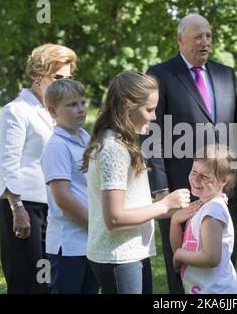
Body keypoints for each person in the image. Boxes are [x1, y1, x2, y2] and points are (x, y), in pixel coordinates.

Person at [141, 13, 237, 293]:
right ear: (180, 40)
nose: (206, 42)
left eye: (209, 36)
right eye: (198, 36)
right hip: (182, 187)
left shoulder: (226, 74)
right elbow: (152, 134)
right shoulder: (161, 74)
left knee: (222, 256)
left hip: (224, 188)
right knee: (183, 262)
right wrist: (161, 189)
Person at [81, 71, 191, 294]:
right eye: (149, 110)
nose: (153, 117)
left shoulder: (122, 143)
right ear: (126, 107)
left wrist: (181, 209)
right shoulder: (114, 150)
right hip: (118, 256)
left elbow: (132, 205)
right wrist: (164, 205)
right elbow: (114, 218)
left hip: (131, 253)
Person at [0, 43, 77, 294]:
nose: (64, 83)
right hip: (25, 207)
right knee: (26, 281)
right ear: (37, 75)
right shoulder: (17, 110)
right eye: (57, 77)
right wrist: (17, 208)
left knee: (48, 282)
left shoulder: (58, 113)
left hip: (54, 208)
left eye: (69, 78)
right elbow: (8, 163)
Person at [40, 79, 99, 294]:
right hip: (68, 245)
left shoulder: (85, 138)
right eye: (72, 105)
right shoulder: (57, 146)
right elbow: (62, 198)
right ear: (53, 111)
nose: (81, 109)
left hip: (90, 243)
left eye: (83, 103)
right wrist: (97, 225)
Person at [170, 144, 237, 294]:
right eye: (194, 171)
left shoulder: (213, 211)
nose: (195, 179)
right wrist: (175, 221)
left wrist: (179, 255)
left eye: (205, 176)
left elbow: (211, 258)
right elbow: (181, 248)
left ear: (223, 181)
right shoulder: (202, 206)